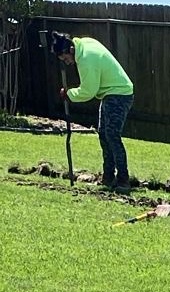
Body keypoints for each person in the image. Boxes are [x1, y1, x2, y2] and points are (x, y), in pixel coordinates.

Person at [52, 31, 134, 193]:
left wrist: (69, 94)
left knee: (111, 135)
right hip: (109, 93)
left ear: (71, 50)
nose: (68, 63)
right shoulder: (84, 44)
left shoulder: (86, 59)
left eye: (66, 59)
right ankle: (108, 177)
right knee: (103, 134)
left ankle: (123, 180)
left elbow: (89, 91)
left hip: (119, 94)